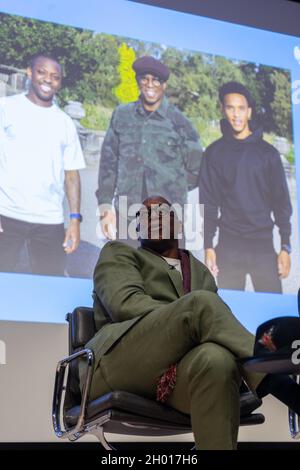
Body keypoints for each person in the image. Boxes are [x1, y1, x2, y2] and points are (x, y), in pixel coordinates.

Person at [80, 195, 300, 450]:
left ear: (179, 225)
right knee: (200, 306)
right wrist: (187, 316)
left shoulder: (201, 273)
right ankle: (285, 387)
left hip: (175, 380)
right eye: (144, 216)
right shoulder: (118, 253)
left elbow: (220, 328)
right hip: (119, 364)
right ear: (137, 229)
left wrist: (193, 320)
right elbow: (126, 305)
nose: (153, 218)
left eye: (162, 212)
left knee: (217, 360)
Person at [96, 55, 202, 244]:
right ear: (138, 81)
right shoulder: (122, 115)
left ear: (164, 85)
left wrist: (174, 188)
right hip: (127, 213)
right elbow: (108, 162)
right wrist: (105, 206)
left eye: (156, 80)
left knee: (165, 272)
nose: (150, 84)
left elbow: (196, 167)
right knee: (127, 270)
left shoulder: (180, 122)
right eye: (144, 78)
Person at [199, 81, 292, 293]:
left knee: (273, 317)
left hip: (263, 246)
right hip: (229, 246)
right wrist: (208, 246)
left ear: (249, 111)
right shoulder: (214, 153)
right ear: (223, 110)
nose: (236, 115)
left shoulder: (268, 154)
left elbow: (281, 202)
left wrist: (285, 246)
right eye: (230, 108)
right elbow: (208, 204)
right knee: (228, 314)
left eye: (241, 108)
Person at [0, 53, 85, 276]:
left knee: (50, 282)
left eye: (55, 76)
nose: (48, 79)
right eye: (42, 72)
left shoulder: (65, 123)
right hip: (6, 214)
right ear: (29, 72)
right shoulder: (6, 107)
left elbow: (72, 174)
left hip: (49, 219)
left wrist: (74, 221)